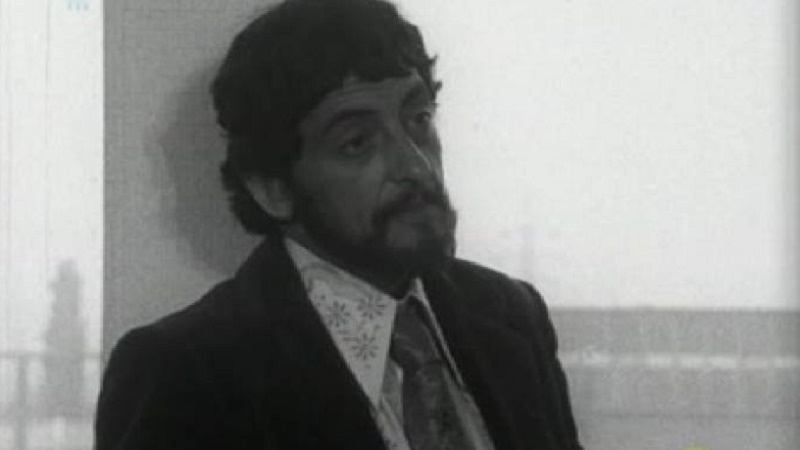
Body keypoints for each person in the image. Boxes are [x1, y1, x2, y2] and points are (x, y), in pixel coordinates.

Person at [94, 0, 583, 449]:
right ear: (272, 188)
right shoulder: (185, 374)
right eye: (357, 142)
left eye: (419, 118)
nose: (416, 167)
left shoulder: (512, 315)